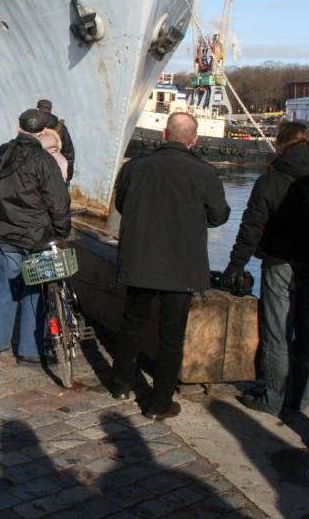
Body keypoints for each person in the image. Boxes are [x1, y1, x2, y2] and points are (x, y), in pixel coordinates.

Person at [109, 112, 230, 420]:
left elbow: (122, 205)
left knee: (131, 325)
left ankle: (121, 384)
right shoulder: (204, 173)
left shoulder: (135, 167)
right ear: (194, 139)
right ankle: (159, 403)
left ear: (164, 135)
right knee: (172, 335)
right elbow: (218, 215)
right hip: (181, 265)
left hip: (140, 259)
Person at [222, 122, 309, 417]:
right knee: (308, 331)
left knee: (277, 333)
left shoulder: (270, 181)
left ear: (281, 145)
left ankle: (273, 397)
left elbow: (251, 228)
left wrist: (236, 265)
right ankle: (301, 400)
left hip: (279, 263)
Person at [0, 108, 71, 364]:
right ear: (44, 132)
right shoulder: (43, 160)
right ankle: (29, 351)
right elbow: (59, 202)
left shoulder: (1, 153)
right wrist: (61, 231)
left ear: (17, 126)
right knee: (34, 291)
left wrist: (2, 218)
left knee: (5, 288)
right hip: (37, 235)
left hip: (9, 232)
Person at [37, 99, 74, 183]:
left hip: (36, 174)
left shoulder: (32, 125)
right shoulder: (61, 128)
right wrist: (68, 176)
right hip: (56, 173)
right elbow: (69, 153)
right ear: (51, 110)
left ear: (37, 108)